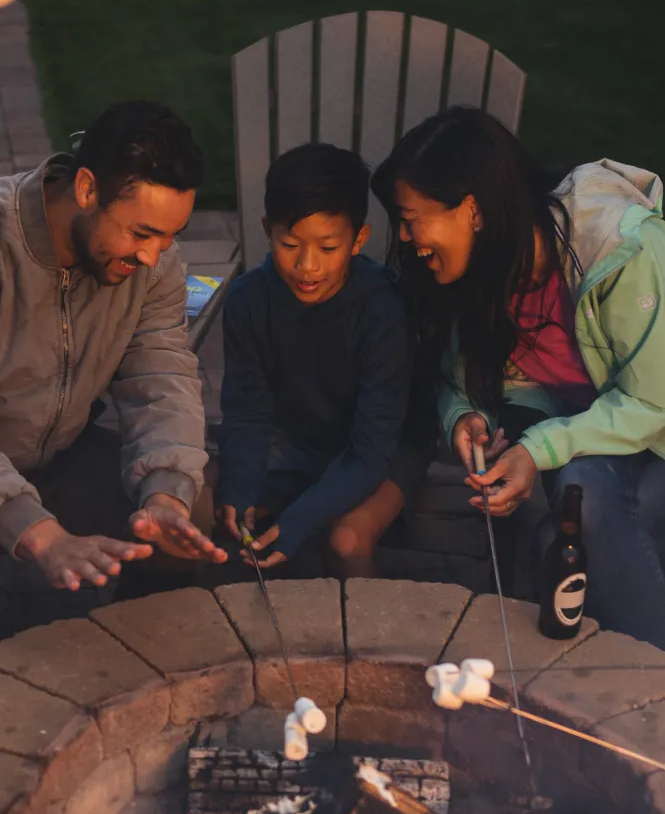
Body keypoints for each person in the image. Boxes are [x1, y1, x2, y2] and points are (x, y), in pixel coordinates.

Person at [372, 106, 665, 654]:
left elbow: (654, 403)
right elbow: (459, 373)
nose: (407, 236)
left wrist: (536, 449)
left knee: (576, 524)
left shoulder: (620, 249)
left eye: (412, 217)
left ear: (471, 210)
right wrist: (465, 416)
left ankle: (655, 689)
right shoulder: (482, 271)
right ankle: (622, 690)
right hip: (597, 424)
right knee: (573, 515)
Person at [0, 99, 226, 624]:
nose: (154, 255)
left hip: (59, 453)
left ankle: (140, 672)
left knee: (185, 514)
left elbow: (162, 374)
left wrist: (166, 494)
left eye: (170, 235)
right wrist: (38, 532)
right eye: (142, 233)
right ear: (86, 189)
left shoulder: (154, 263)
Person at [217, 141, 431, 577]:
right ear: (268, 229)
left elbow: (373, 445)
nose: (307, 266)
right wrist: (239, 489)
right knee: (216, 504)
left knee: (346, 539)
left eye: (328, 248)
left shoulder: (382, 309)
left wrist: (300, 518)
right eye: (290, 243)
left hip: (383, 449)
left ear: (358, 240)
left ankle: (363, 639)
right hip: (293, 440)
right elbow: (246, 413)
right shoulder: (248, 302)